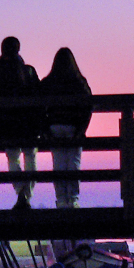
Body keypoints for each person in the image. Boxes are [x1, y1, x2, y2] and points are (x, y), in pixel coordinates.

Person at [0, 36, 40, 209]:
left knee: (13, 157)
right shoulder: (28, 70)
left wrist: (0, 95)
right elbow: (38, 94)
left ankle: (21, 192)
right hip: (29, 122)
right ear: (18, 49)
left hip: (8, 121)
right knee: (30, 156)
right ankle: (26, 195)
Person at [38, 47, 92, 208]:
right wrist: (81, 130)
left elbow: (38, 107)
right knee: (73, 163)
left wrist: (45, 130)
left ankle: (61, 199)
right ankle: (73, 199)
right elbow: (88, 106)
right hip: (73, 126)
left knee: (59, 165)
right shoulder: (78, 81)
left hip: (55, 126)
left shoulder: (48, 82)